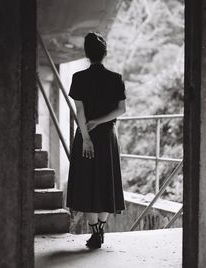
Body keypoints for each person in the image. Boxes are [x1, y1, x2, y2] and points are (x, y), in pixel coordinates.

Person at [66, 32, 127, 249]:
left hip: (85, 136)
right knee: (105, 182)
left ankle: (95, 233)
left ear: (86, 53)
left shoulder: (79, 78)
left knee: (86, 184)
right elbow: (121, 109)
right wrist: (100, 122)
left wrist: (86, 138)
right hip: (107, 138)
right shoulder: (115, 78)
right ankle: (101, 229)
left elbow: (80, 113)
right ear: (105, 53)